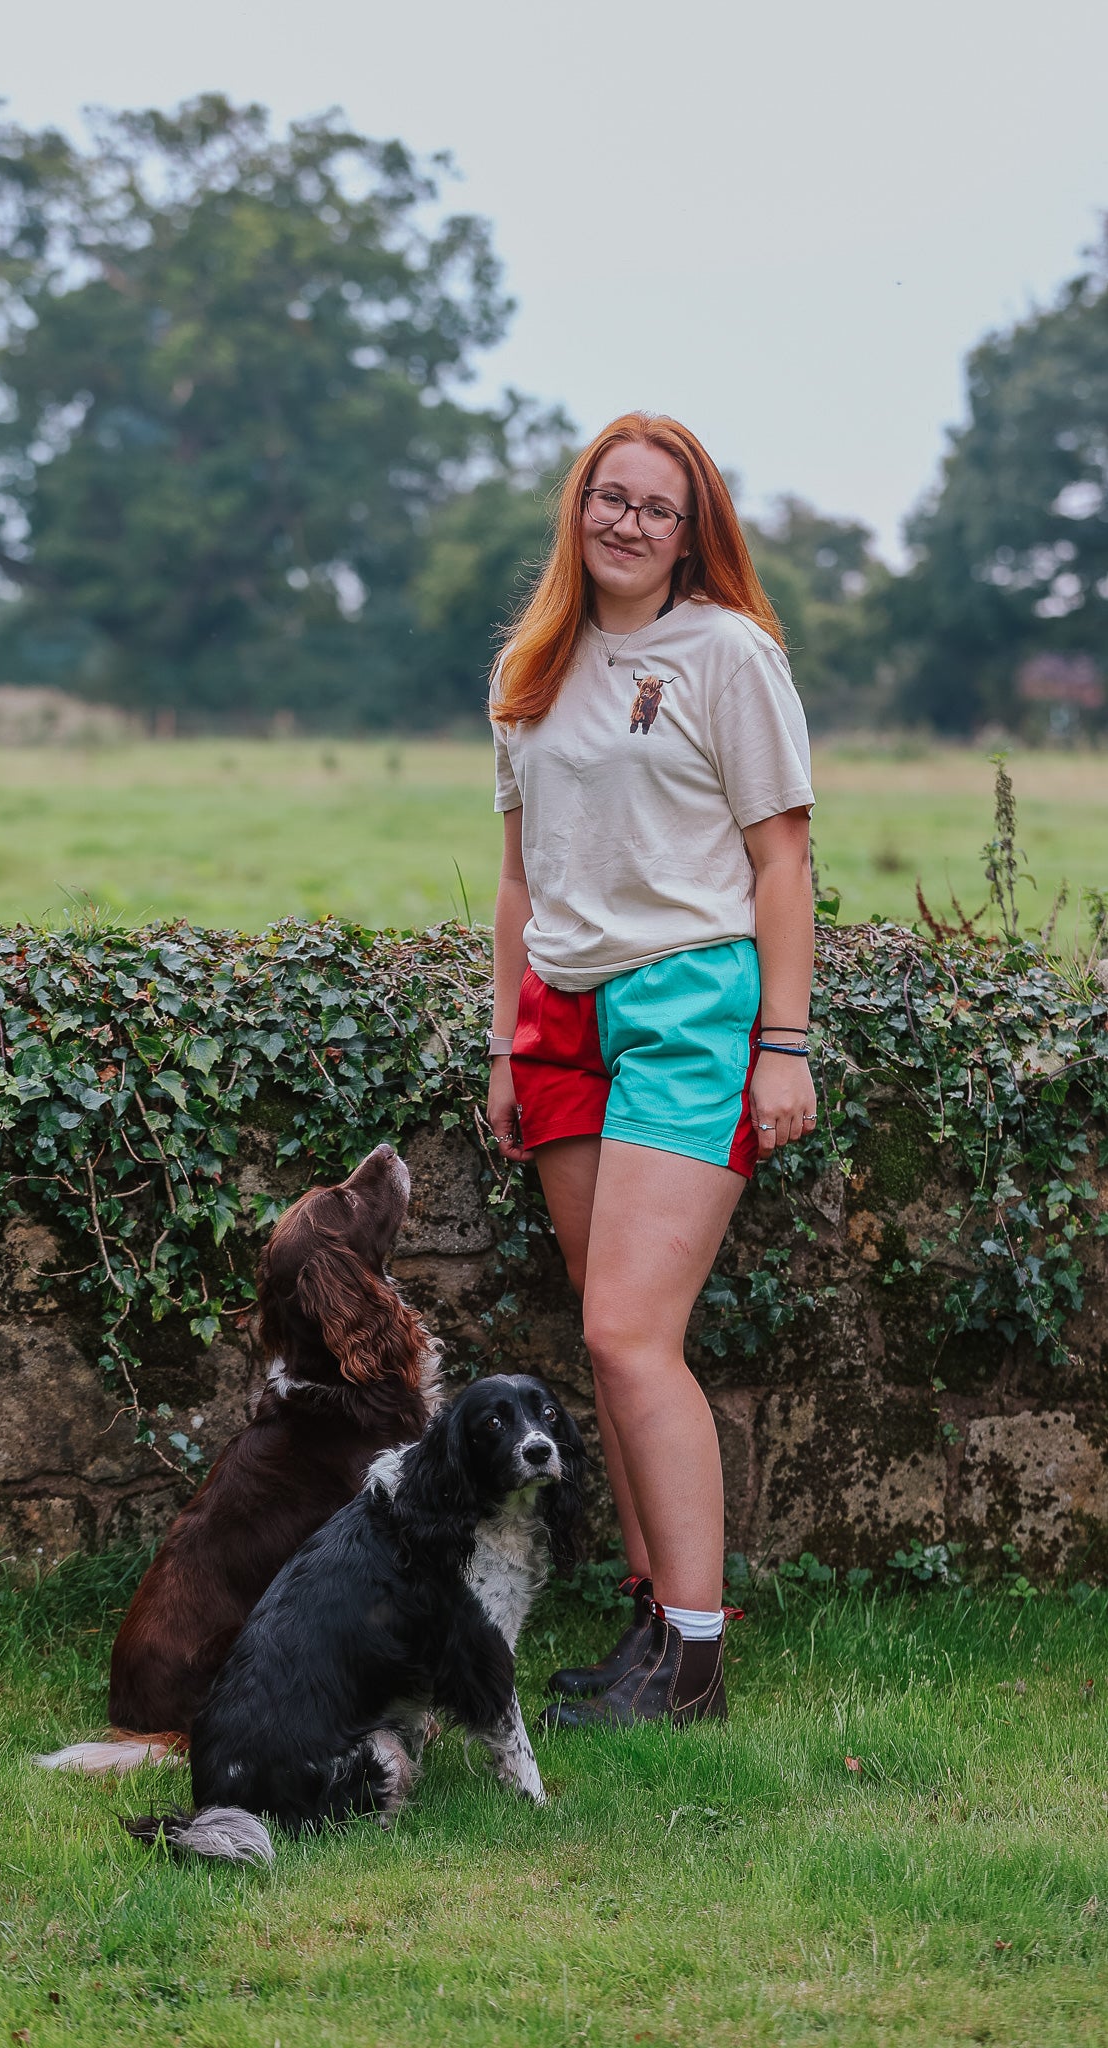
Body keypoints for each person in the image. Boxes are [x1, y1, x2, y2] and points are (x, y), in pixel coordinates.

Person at [486, 412, 816, 1728]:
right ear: (577, 511)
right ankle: (644, 1622)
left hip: (685, 1001)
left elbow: (782, 858)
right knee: (602, 1332)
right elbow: (519, 879)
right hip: (556, 1012)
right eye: (606, 498)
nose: (625, 522)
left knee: (631, 1337)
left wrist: (780, 1043)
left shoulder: (726, 653)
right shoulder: (532, 666)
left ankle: (693, 1665)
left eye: (656, 508)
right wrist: (503, 1040)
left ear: (693, 535)